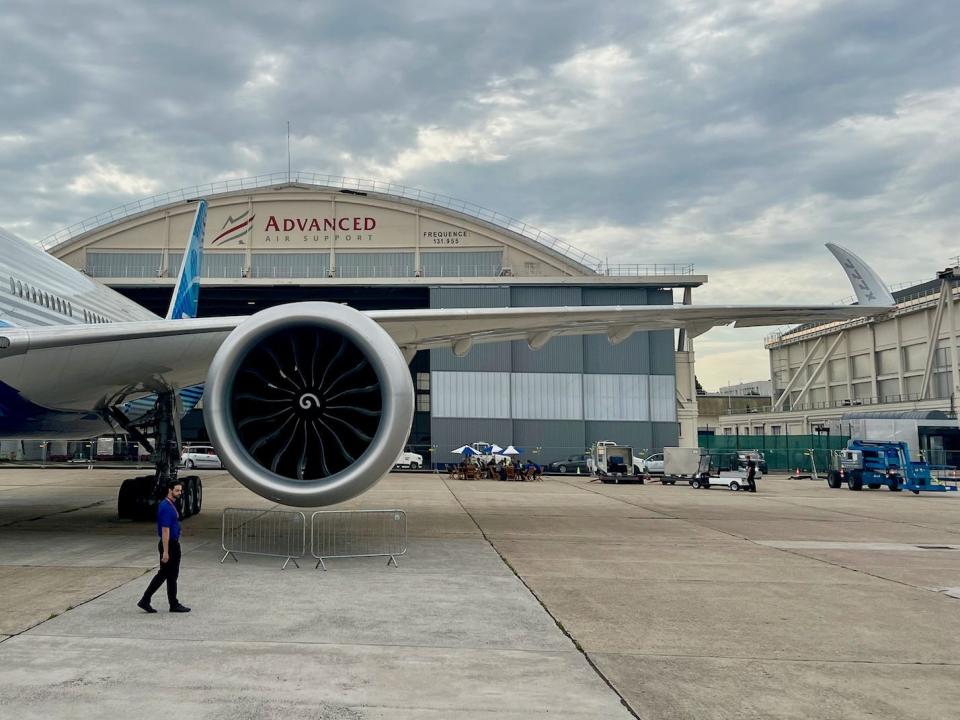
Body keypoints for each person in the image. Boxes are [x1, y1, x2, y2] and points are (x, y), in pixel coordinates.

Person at [138, 479, 191, 613]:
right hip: (169, 545)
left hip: (173, 544)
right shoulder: (165, 507)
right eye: (177, 490)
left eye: (180, 490)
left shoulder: (171, 504)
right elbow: (165, 530)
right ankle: (146, 599)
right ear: (170, 490)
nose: (180, 493)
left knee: (171, 575)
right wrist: (166, 552)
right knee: (164, 574)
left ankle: (173, 603)